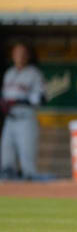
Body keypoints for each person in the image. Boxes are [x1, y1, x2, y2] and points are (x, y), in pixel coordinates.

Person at [0, 41, 45, 180]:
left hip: (26, 119)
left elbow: (41, 98)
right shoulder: (9, 73)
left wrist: (20, 100)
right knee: (6, 159)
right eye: (17, 53)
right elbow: (5, 95)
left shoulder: (34, 74)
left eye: (23, 53)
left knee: (27, 162)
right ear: (13, 55)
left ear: (28, 56)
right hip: (10, 120)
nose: (19, 56)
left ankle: (30, 193)